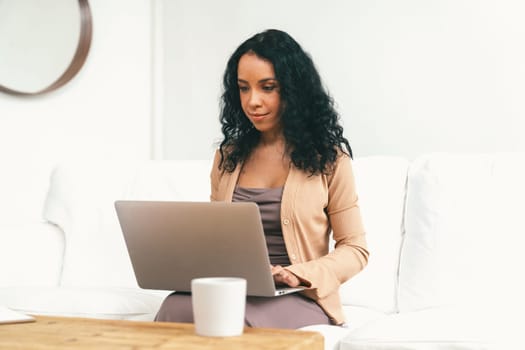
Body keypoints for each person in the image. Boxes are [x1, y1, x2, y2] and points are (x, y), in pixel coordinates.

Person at [155, 29, 369, 328]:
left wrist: (298, 274)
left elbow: (355, 249)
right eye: (244, 88)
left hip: (299, 295)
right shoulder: (228, 157)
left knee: (238, 321)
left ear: (293, 90)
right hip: (235, 288)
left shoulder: (330, 161)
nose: (252, 101)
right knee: (175, 306)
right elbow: (219, 238)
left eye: (267, 87)